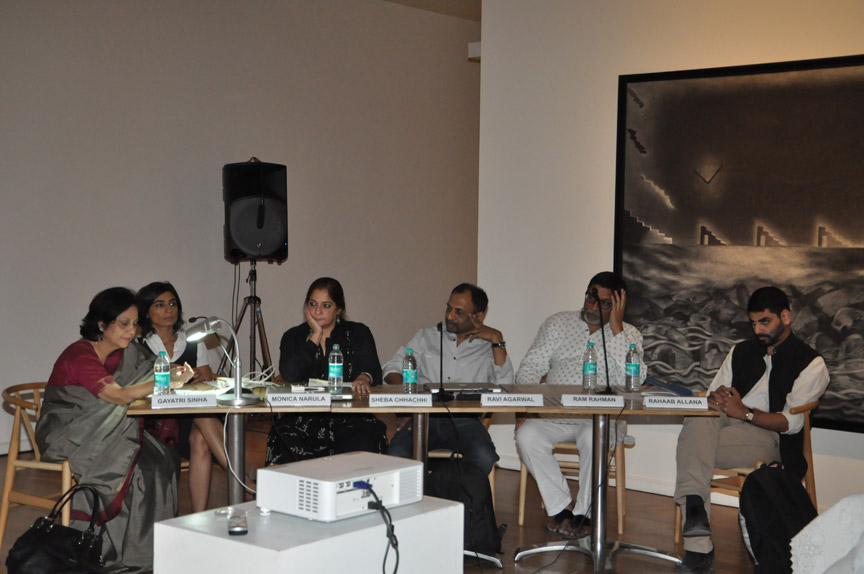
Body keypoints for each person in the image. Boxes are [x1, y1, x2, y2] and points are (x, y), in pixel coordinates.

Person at [35, 287, 192, 571]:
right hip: (72, 435)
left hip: (112, 428)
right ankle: (108, 554)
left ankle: (147, 553)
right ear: (101, 324)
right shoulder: (79, 355)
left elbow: (146, 374)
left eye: (135, 323)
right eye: (124, 323)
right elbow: (118, 396)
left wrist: (172, 373)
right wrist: (165, 379)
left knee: (161, 463)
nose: (132, 331)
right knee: (134, 471)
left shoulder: (128, 353)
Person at [675, 286, 830, 573]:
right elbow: (714, 392)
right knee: (699, 417)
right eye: (754, 322)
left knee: (691, 448)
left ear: (786, 317)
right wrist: (717, 399)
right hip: (725, 421)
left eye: (765, 321)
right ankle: (695, 505)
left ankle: (698, 545)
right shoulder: (740, 351)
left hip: (770, 436)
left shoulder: (812, 363)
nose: (758, 329)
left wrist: (744, 413)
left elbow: (790, 423)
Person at [514, 271, 643, 539]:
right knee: (526, 435)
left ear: (618, 305)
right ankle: (562, 508)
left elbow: (636, 380)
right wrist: (526, 405)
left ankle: (585, 513)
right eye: (590, 298)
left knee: (592, 436)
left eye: (604, 303)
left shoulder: (629, 334)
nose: (593, 307)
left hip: (601, 418)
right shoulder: (558, 323)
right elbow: (531, 366)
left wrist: (617, 330)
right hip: (556, 414)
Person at [383, 283, 513, 474]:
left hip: (466, 420)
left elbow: (506, 386)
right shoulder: (427, 336)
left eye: (458, 312)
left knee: (484, 456)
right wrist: (408, 399)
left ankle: (454, 492)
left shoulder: (488, 346)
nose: (450, 316)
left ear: (478, 316)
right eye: (448, 308)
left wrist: (497, 340)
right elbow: (393, 367)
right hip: (424, 417)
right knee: (396, 454)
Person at [137, 281, 236, 513]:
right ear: (147, 312)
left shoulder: (192, 341)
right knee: (202, 421)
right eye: (159, 305)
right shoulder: (139, 345)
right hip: (156, 422)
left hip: (187, 417)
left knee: (201, 437)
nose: (168, 310)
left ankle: (199, 515)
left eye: (172, 304)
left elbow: (207, 378)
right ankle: (240, 478)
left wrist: (199, 376)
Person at [266, 277, 387, 464]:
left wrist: (364, 377)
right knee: (283, 438)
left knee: (365, 438)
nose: (317, 311)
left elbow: (372, 368)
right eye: (312, 304)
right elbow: (290, 374)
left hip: (351, 416)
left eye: (326, 305)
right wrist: (315, 336)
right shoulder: (293, 336)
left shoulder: (358, 332)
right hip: (302, 418)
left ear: (339, 309)